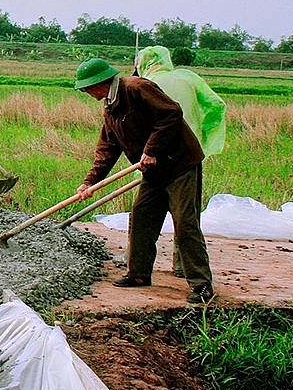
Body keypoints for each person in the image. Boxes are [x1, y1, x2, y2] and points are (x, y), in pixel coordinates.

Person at [73, 57, 214, 304]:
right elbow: (107, 149)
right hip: (153, 171)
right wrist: (89, 183)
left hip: (179, 164)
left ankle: (202, 285)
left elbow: (171, 113)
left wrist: (152, 150)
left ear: (99, 83)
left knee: (184, 223)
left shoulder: (137, 88)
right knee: (141, 216)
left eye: (87, 87)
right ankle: (138, 274)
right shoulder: (110, 107)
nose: (86, 92)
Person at [135, 45, 227, 278]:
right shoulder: (188, 78)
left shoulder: (145, 85)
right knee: (186, 215)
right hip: (188, 155)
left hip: (153, 157)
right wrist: (202, 137)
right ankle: (182, 267)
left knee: (143, 214)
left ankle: (138, 266)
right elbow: (216, 105)